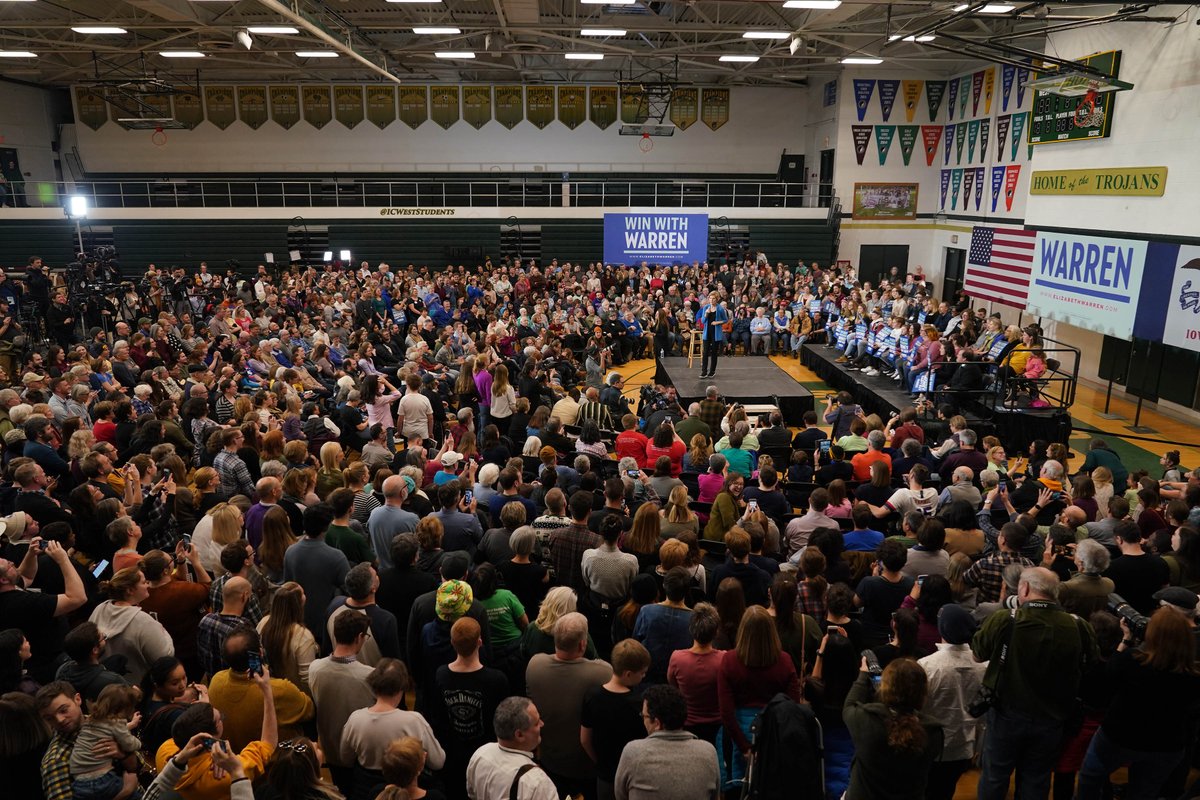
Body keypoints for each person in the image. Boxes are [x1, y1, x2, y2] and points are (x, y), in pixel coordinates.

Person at [972, 567, 1099, 800]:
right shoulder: (1079, 626)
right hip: (1053, 717)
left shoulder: (1005, 619)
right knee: (1037, 779)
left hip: (1006, 714)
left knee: (995, 775)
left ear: (1025, 588)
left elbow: (977, 655)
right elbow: (1091, 666)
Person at [1076, 608, 1200, 800]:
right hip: (1167, 744)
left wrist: (1125, 640)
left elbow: (1108, 677)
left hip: (1120, 737)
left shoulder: (1132, 660)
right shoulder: (1192, 676)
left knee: (1090, 778)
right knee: (1144, 793)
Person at [525, 611, 613, 799]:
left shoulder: (535, 664)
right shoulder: (602, 672)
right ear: (583, 644)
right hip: (586, 765)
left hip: (550, 759)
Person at [716, 606, 801, 790]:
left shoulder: (729, 661)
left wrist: (744, 747)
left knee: (739, 788)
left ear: (743, 631)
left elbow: (726, 713)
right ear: (771, 631)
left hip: (737, 733)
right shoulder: (785, 661)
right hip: (774, 733)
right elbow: (793, 705)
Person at [842, 657, 944, 800]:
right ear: (923, 692)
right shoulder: (934, 732)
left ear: (885, 687)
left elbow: (849, 706)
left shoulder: (865, 718)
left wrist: (862, 676)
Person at [430, 617, 509, 800]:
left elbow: (438, 716)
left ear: (452, 643)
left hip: (453, 755)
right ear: (480, 642)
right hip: (488, 756)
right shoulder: (497, 679)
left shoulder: (442, 675)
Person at [207, 626, 313, 754]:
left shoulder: (215, 681)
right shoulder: (280, 689)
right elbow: (309, 709)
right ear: (260, 653)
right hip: (274, 766)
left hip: (234, 764)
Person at [918, 604, 986, 800]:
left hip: (931, 746)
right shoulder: (984, 665)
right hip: (964, 746)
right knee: (946, 791)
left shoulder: (927, 666)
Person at [613, 684, 719, 800]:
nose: (643, 720)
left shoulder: (633, 752)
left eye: (644, 716)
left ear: (657, 723)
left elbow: (620, 795)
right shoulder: (708, 751)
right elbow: (714, 795)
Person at [309, 611, 375, 794]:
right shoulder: (369, 675)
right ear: (359, 637)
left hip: (330, 750)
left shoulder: (315, 668)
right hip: (359, 753)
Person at [581, 639, 651, 800]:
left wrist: (600, 763)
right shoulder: (639, 705)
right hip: (633, 777)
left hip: (605, 776)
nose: (644, 676)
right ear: (628, 674)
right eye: (642, 673)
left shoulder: (592, 696)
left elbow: (585, 739)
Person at [89, 566, 175, 680]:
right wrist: (164, 633)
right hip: (137, 688)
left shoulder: (99, 609)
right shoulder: (143, 621)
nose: (148, 585)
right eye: (144, 582)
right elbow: (165, 659)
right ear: (130, 590)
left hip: (105, 682)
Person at [466, 696, 559, 800]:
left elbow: (472, 794)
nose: (542, 724)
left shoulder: (480, 755)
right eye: (536, 723)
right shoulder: (536, 782)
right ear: (519, 735)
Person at [282, 503, 350, 641]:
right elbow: (349, 589)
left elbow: (287, 585)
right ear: (327, 527)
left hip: (297, 622)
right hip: (326, 624)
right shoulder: (336, 557)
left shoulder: (290, 551)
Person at [67, 684, 142, 800]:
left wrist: (129, 725)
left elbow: (109, 730)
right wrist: (138, 743)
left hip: (79, 783)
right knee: (136, 795)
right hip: (102, 780)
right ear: (124, 709)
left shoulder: (90, 719)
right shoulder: (116, 723)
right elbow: (129, 744)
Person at [667, 602, 722, 745]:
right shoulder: (724, 659)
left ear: (691, 629)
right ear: (716, 632)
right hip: (718, 725)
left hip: (687, 725)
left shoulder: (677, 658)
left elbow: (673, 686)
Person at [696, 291, 728, 379]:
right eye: (710, 298)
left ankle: (712, 371)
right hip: (707, 332)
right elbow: (702, 321)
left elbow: (726, 320)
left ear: (717, 299)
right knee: (705, 352)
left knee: (714, 352)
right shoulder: (706, 307)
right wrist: (706, 313)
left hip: (716, 333)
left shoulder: (720, 309)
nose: (711, 300)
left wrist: (717, 322)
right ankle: (704, 371)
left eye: (713, 298)